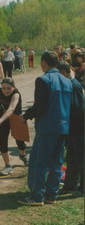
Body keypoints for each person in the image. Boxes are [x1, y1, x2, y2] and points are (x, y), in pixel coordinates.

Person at [18, 52, 72, 206]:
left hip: (47, 127)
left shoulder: (43, 80)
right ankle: (51, 195)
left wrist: (25, 116)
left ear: (44, 62)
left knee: (38, 162)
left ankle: (37, 196)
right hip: (63, 127)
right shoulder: (67, 81)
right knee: (56, 162)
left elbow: (39, 106)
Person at [0, 78, 29, 176]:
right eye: (3, 88)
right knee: (3, 142)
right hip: (3, 118)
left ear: (14, 87)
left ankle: (23, 155)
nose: (5, 90)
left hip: (16, 118)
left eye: (8, 88)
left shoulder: (16, 94)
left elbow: (11, 109)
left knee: (20, 141)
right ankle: (8, 166)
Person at [57, 63, 84, 194]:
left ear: (63, 72)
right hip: (73, 130)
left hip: (79, 129)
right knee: (72, 159)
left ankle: (83, 187)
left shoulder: (74, 86)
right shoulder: (72, 84)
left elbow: (78, 109)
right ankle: (70, 185)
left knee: (81, 159)